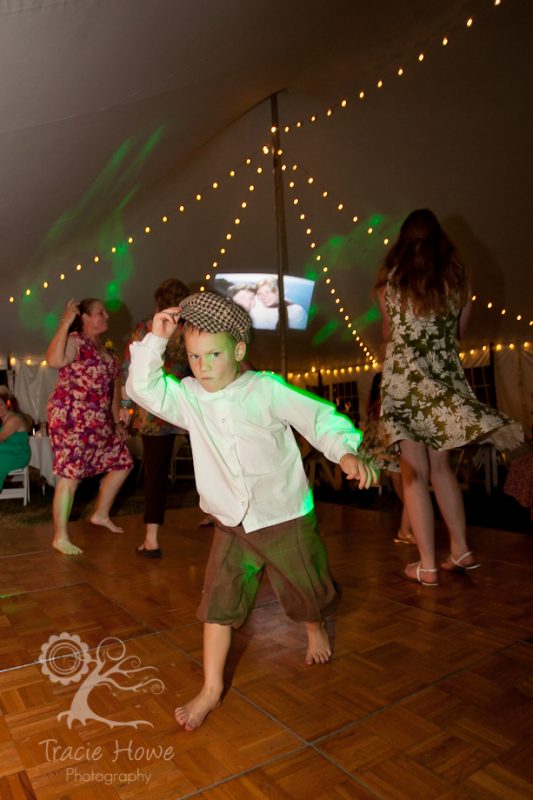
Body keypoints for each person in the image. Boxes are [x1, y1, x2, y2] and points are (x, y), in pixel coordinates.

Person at [126, 291, 378, 731]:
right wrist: (154, 341)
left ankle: (314, 622)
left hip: (283, 518)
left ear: (239, 350)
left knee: (307, 589)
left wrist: (345, 452)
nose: (202, 367)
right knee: (217, 604)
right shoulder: (187, 396)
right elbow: (141, 388)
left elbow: (318, 418)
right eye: (193, 356)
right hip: (230, 524)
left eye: (213, 355)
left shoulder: (266, 389)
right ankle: (210, 688)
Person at [376, 209, 523, 586]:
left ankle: (426, 565)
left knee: (413, 474)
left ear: (403, 243)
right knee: (440, 470)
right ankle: (460, 548)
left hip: (407, 387)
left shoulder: (389, 286)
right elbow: (460, 332)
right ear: (441, 241)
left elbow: (388, 333)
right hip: (444, 383)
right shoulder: (457, 282)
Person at [46, 298, 133, 555]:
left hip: (98, 419)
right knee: (70, 476)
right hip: (72, 418)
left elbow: (113, 386)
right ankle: (60, 536)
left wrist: (116, 420)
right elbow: (53, 360)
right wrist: (64, 323)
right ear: (83, 317)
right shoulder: (75, 341)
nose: (106, 315)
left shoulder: (105, 348)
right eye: (99, 312)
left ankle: (101, 514)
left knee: (122, 461)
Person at [121, 278, 190, 557]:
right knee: (213, 463)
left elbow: (130, 368)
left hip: (155, 411)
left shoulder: (145, 328)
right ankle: (222, 520)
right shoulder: (192, 330)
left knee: (155, 475)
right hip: (189, 406)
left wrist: (125, 406)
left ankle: (151, 539)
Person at [363, 371, 413, 544]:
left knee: (407, 487)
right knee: (406, 487)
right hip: (387, 446)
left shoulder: (386, 399)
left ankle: (408, 527)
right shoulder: (380, 401)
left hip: (390, 446)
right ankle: (407, 527)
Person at [0, 387, 31, 490]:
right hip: (7, 452)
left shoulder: (14, 420)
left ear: (7, 404)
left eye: (0, 404)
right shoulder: (3, 420)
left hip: (18, 455)